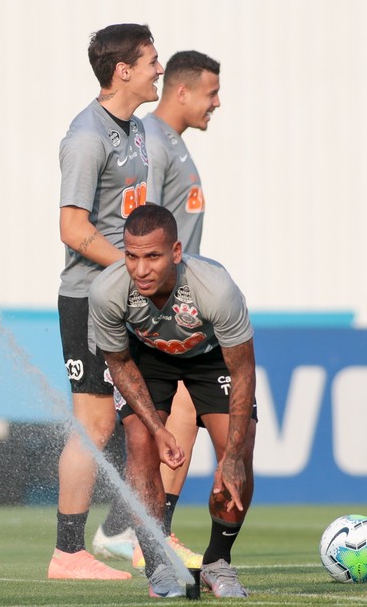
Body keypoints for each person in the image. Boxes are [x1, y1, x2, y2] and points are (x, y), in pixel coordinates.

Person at [88, 203, 256, 598]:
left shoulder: (215, 288)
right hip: (147, 357)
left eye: (153, 256)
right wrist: (158, 428)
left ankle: (218, 563)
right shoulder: (107, 292)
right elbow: (120, 364)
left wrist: (231, 456)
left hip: (210, 357)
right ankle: (158, 566)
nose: (141, 269)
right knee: (140, 442)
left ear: (176, 252)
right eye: (132, 256)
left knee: (239, 448)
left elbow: (243, 372)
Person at [47, 23, 163, 581]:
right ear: (124, 70)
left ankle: (136, 534)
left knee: (155, 411)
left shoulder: (134, 129)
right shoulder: (86, 137)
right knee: (93, 425)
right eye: (151, 61)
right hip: (91, 301)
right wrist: (132, 267)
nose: (158, 69)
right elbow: (73, 229)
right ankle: (68, 553)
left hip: (128, 298)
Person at [129, 50, 222, 572]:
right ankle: (148, 533)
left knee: (175, 411)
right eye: (211, 92)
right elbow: (141, 226)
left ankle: (132, 529)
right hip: (160, 303)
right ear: (182, 92)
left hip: (180, 299)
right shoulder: (153, 141)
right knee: (173, 409)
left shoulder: (172, 143)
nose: (217, 103)